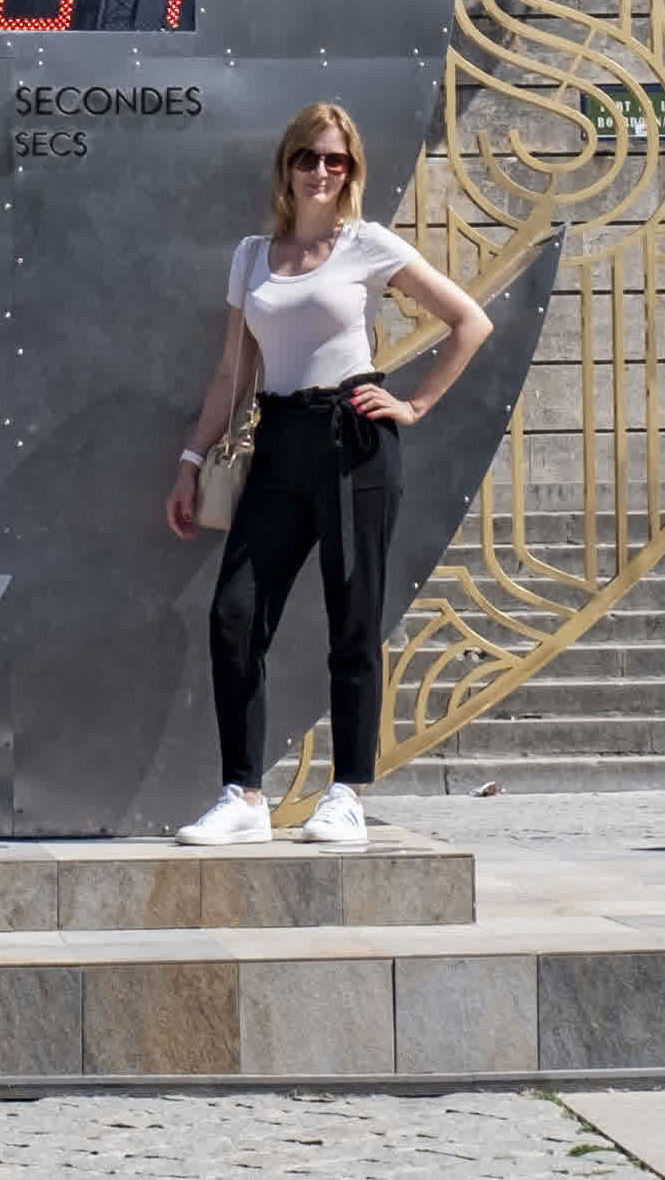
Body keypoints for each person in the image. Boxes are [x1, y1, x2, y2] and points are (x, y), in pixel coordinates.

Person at [164, 103, 494, 850]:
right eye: (308, 157)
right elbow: (228, 371)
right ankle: (244, 793)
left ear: (351, 171)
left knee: (353, 621)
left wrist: (412, 403)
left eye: (335, 160)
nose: (320, 171)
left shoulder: (368, 244)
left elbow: (469, 320)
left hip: (353, 435)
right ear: (286, 166)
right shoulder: (253, 256)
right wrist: (191, 458)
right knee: (235, 613)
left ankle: (347, 791)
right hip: (277, 438)